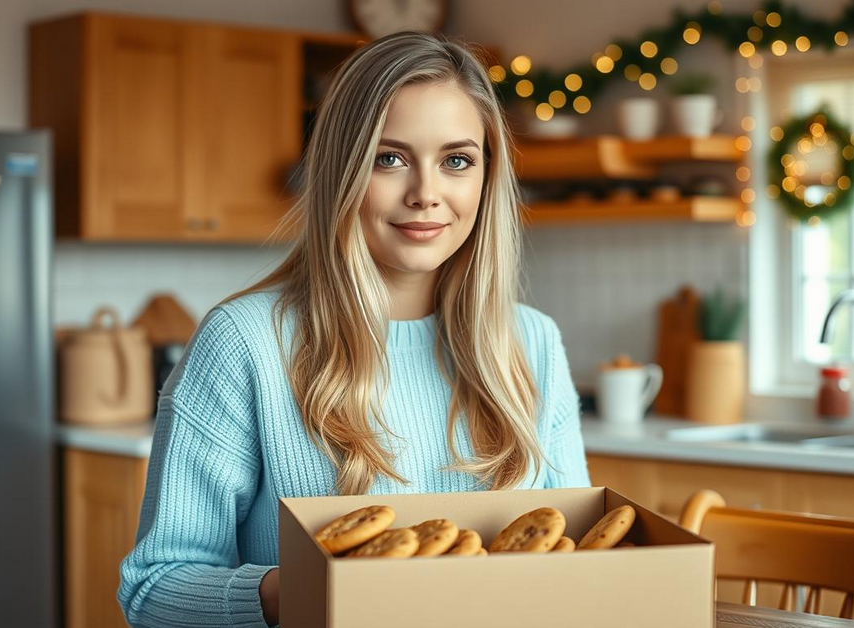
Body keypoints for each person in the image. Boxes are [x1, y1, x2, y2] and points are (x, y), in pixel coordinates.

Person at [117, 30, 589, 628]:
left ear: (486, 177)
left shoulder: (534, 342)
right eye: (388, 159)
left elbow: (578, 556)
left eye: (457, 160)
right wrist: (318, 591)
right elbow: (154, 590)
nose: (426, 194)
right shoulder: (245, 343)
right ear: (342, 169)